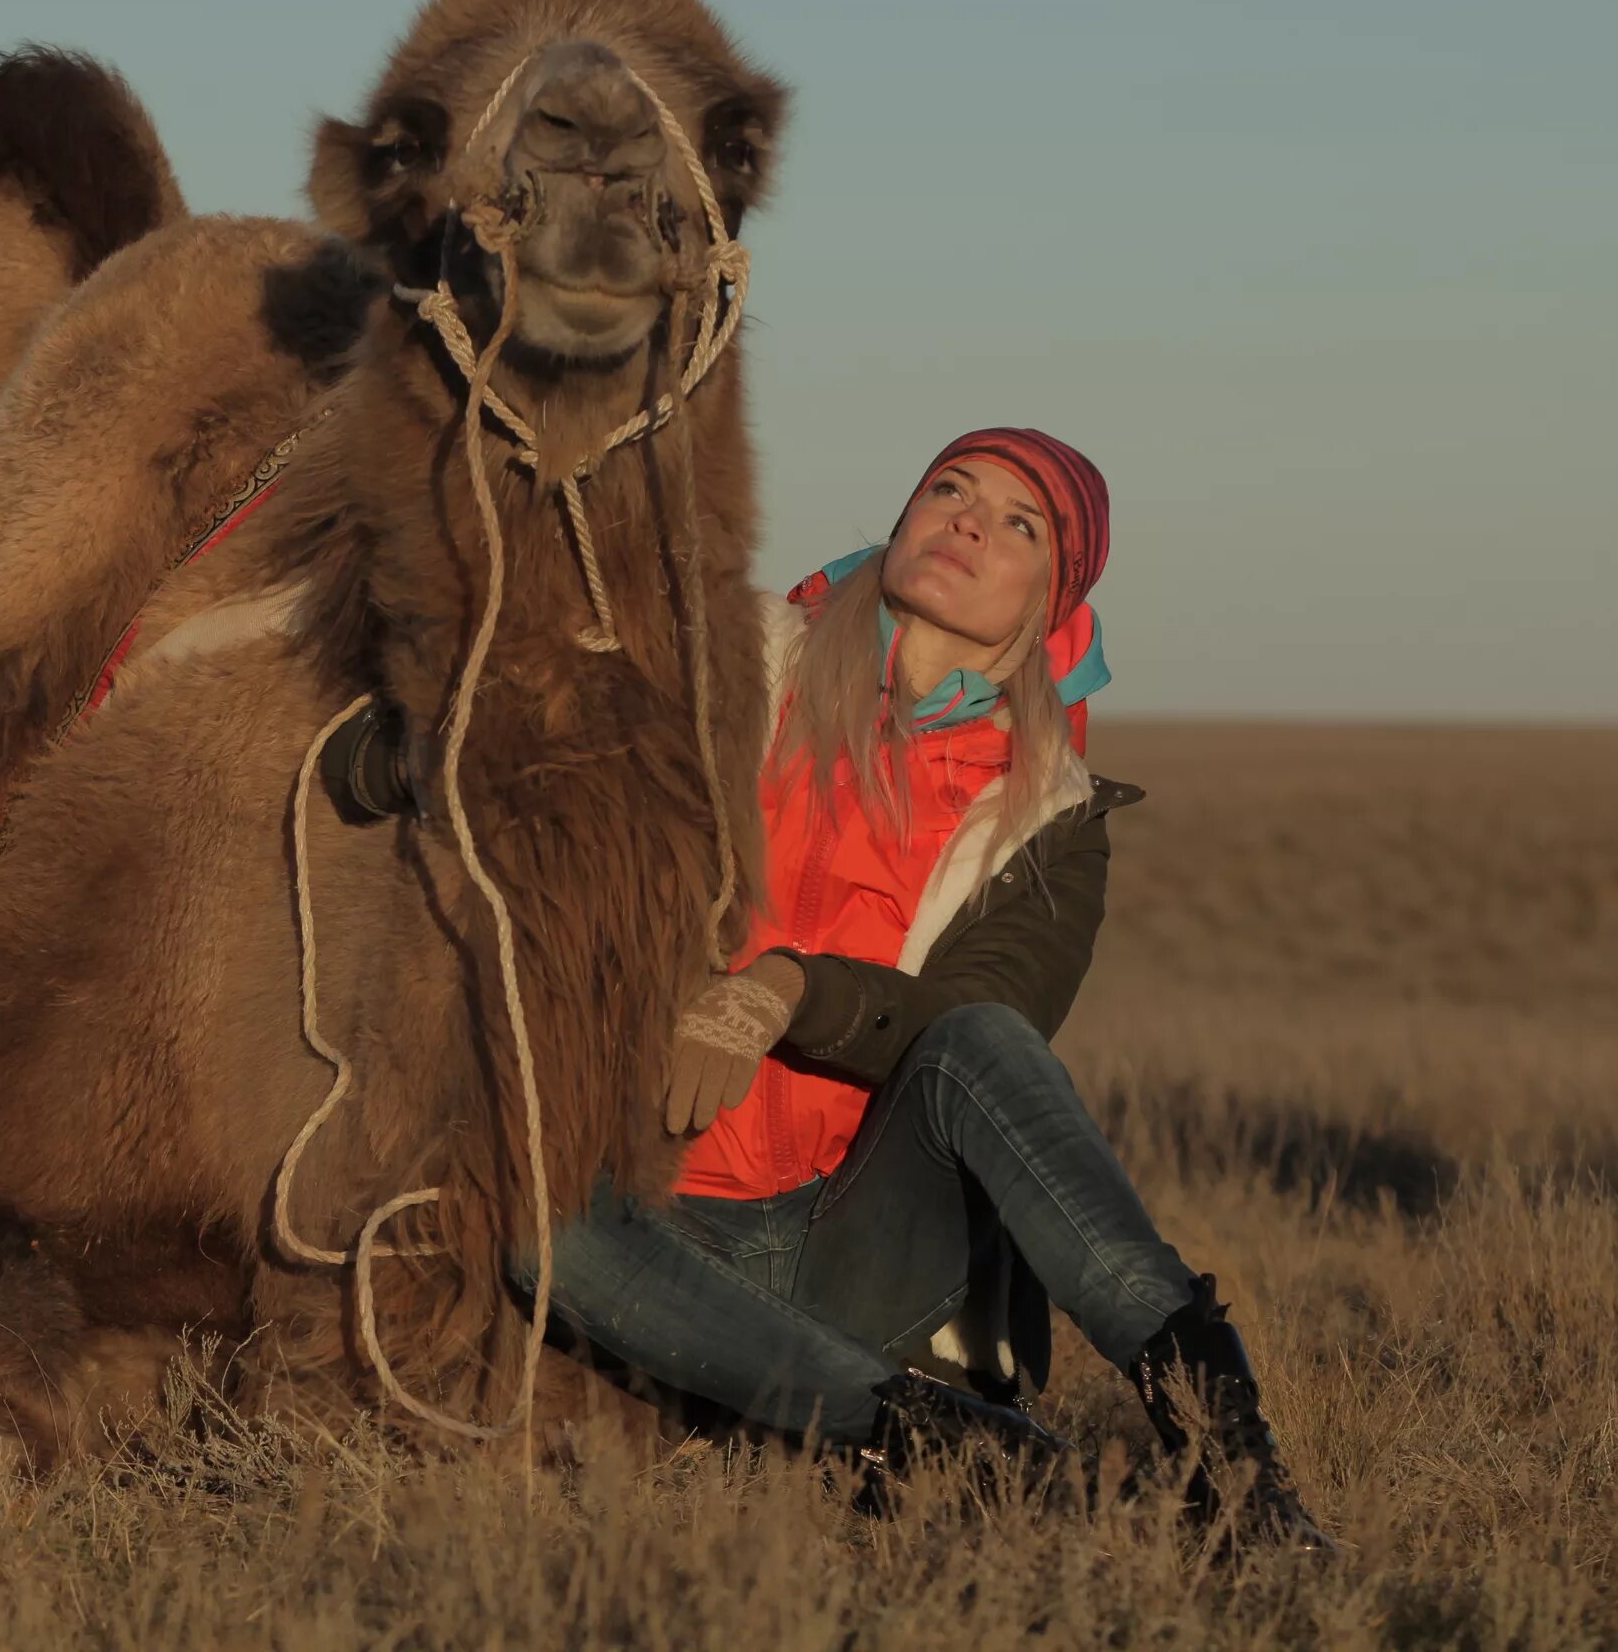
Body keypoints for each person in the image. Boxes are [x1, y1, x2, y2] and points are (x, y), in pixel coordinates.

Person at [525, 427, 1329, 1547]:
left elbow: (969, 1012)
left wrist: (785, 990)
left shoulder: (1053, 812)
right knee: (505, 1181)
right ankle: (931, 1441)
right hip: (645, 1228)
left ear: (1053, 601)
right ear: (899, 522)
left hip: (853, 1233)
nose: (967, 518)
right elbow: (532, 729)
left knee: (986, 1042)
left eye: (1018, 521)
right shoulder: (720, 659)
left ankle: (1233, 1472)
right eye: (949, 488)